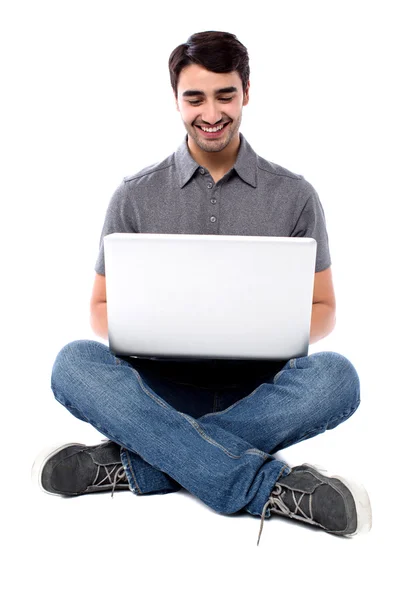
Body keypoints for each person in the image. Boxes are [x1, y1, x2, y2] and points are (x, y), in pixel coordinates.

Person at [32, 31, 372, 545]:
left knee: (338, 378)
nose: (210, 112)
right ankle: (268, 488)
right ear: (176, 100)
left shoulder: (295, 195)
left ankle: (142, 465)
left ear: (247, 93)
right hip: (156, 388)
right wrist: (146, 327)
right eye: (195, 97)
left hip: (262, 389)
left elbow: (324, 309)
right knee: (72, 363)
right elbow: (99, 309)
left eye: (224, 95)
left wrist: (264, 328)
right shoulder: (135, 195)